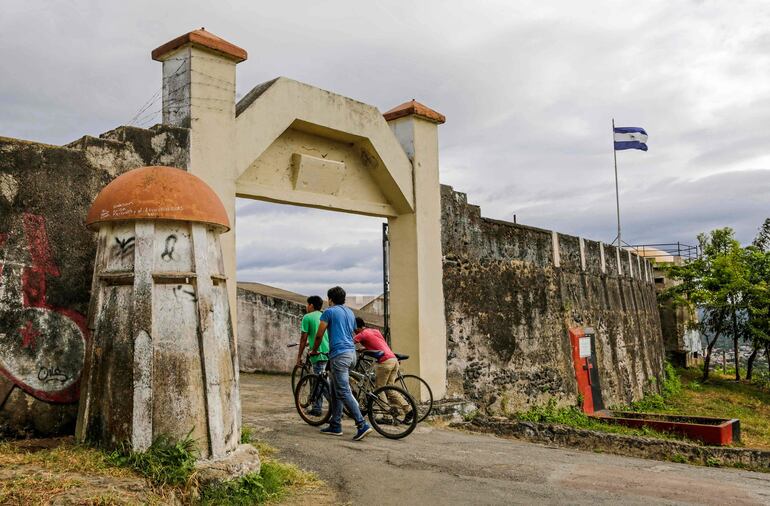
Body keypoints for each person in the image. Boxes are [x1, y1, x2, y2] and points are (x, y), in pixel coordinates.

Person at [310, 286, 373, 441]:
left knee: (343, 390)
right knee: (334, 389)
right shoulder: (350, 312)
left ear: (330, 299)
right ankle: (335, 424)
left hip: (340, 356)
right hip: (351, 354)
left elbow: (319, 334)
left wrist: (314, 350)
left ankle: (361, 424)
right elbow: (349, 332)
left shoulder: (329, 312)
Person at [354, 317, 413, 423]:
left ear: (356, 327)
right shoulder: (375, 331)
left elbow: (348, 343)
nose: (353, 331)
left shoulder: (362, 334)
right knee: (390, 389)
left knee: (378, 388)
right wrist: (364, 348)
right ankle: (408, 410)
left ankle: (387, 417)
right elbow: (380, 345)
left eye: (353, 329)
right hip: (393, 359)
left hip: (384, 362)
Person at [296, 295, 329, 416]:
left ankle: (323, 408)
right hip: (328, 352)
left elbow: (303, 338)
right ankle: (318, 406)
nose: (306, 307)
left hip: (317, 353)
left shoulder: (307, 317)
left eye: (307, 304)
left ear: (311, 305)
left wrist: (299, 356)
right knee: (322, 381)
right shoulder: (324, 316)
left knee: (320, 383)